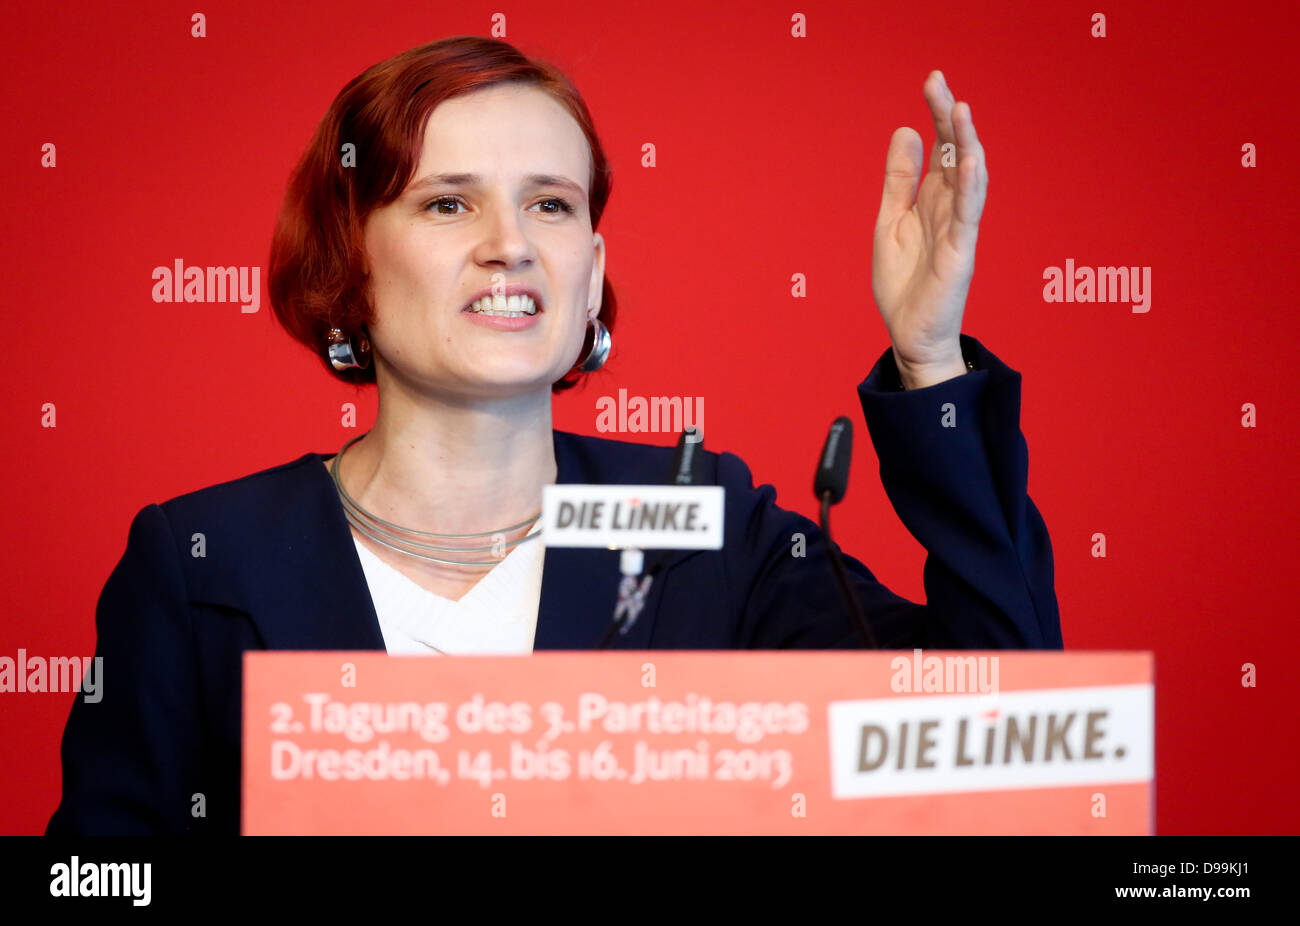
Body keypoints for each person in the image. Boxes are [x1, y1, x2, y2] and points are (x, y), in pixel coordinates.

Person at [47, 36, 1061, 835]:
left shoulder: (701, 525)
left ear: (590, 271)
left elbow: (1000, 745)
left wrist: (928, 357)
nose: (510, 245)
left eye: (550, 203)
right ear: (349, 259)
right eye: (448, 202)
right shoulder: (199, 558)